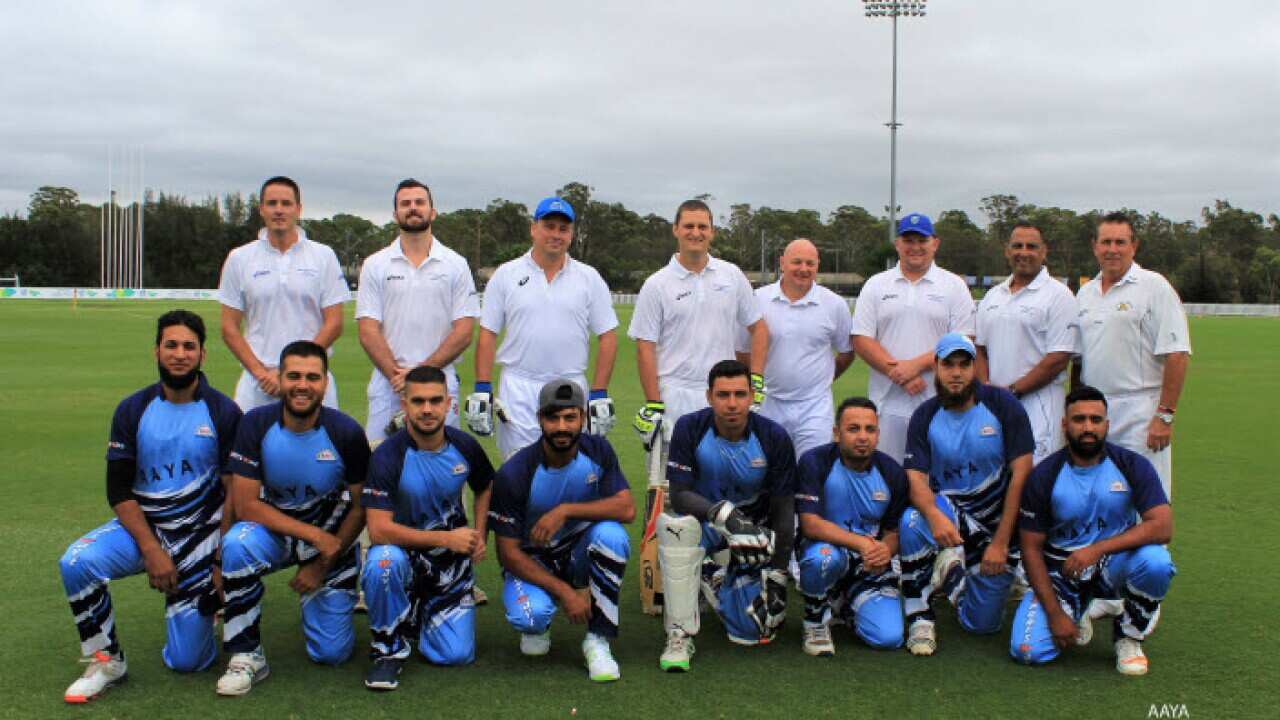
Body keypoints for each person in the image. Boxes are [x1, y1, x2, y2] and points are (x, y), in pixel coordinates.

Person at [59, 310, 241, 703]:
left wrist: (220, 563)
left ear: (202, 355)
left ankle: (204, 610)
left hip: (199, 539)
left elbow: (235, 495)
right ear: (156, 351)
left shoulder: (224, 412)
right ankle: (105, 660)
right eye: (171, 345)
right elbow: (119, 491)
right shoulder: (133, 409)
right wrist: (152, 550)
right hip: (146, 531)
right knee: (76, 561)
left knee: (187, 662)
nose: (179, 354)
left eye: (188, 346)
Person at [216, 341, 370, 696]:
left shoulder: (346, 432)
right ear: (280, 379)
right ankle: (245, 654)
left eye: (313, 377)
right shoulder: (255, 424)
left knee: (331, 654)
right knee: (237, 543)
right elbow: (246, 504)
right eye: (294, 376)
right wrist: (313, 539)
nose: (303, 385)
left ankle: (320, 598)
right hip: (275, 530)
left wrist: (321, 562)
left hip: (333, 537)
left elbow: (361, 506)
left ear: (326, 382)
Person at [1010, 385, 1175, 675]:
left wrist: (1096, 550)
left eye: (1096, 420)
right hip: (1062, 574)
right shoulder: (1044, 475)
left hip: (1112, 565)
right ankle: (1080, 608)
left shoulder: (1131, 465)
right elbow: (1030, 549)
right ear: (1065, 425)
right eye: (1079, 420)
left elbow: (1162, 526)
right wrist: (1054, 613)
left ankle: (1129, 637)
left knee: (1156, 562)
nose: (1088, 428)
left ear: (1107, 425)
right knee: (1027, 652)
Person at [896, 333, 1035, 656]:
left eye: (964, 365)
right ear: (936, 368)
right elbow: (915, 479)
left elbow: (1021, 475)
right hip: (951, 514)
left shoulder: (1003, 405)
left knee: (980, 624)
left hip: (995, 525)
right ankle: (920, 615)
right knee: (914, 519)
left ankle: (952, 574)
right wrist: (934, 517)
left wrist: (1001, 543)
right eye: (948, 365)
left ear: (975, 368)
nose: (956, 373)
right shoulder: (925, 415)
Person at [488, 379, 634, 683]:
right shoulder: (515, 473)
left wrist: (566, 510)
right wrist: (565, 593)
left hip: (577, 553)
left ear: (583, 418)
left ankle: (598, 639)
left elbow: (626, 509)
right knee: (530, 619)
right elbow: (507, 554)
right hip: (533, 561)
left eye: (570, 418)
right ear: (540, 419)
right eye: (553, 418)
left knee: (612, 536)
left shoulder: (599, 450)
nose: (562, 427)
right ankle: (542, 619)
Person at [656, 360, 797, 671]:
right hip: (706, 521)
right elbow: (679, 495)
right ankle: (678, 633)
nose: (732, 404)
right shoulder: (690, 427)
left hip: (754, 533)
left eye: (739, 394)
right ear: (709, 397)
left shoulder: (774, 437)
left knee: (751, 631)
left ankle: (715, 577)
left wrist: (777, 571)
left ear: (752, 396)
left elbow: (785, 511)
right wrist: (722, 513)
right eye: (723, 395)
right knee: (676, 527)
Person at [360, 366, 494, 691]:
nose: (427, 409)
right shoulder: (387, 456)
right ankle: (387, 650)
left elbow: (487, 485)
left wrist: (480, 534)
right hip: (401, 558)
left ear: (449, 403)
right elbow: (378, 531)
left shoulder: (465, 447)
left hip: (448, 565)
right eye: (418, 401)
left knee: (455, 655)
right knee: (383, 561)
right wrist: (448, 537)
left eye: (435, 401)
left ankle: (416, 614)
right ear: (404, 405)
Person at [466, 198, 619, 460]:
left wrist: (599, 393)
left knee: (570, 466)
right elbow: (488, 333)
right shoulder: (506, 274)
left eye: (563, 229)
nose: (556, 235)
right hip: (518, 385)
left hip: (570, 385)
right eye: (549, 226)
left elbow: (607, 336)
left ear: (571, 235)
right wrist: (482, 387)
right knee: (518, 467)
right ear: (533, 228)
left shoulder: (589, 278)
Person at [629, 199, 768, 451]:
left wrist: (755, 379)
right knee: (668, 482)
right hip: (674, 392)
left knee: (722, 475)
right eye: (689, 226)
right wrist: (654, 403)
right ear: (676, 230)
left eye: (703, 226)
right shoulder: (656, 284)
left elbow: (758, 327)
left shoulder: (731, 275)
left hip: (723, 393)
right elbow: (644, 347)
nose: (696, 233)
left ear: (712, 231)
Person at [1073, 212, 1190, 499]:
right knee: (1101, 498)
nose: (1112, 249)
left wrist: (1165, 416)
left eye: (1120, 242)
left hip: (1140, 411)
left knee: (1145, 501)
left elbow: (1177, 354)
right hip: (1096, 413)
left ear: (1133, 246)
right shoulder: (1085, 294)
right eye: (1106, 242)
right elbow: (1078, 361)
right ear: (1094, 246)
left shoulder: (1154, 287)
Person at [357, 179, 479, 443]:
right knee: (380, 465)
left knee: (444, 467)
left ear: (432, 212)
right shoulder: (375, 264)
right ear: (395, 214)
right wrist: (398, 376)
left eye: (419, 202)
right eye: (405, 204)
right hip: (389, 383)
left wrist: (421, 374)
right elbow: (367, 330)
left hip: (440, 382)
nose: (413, 208)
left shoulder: (456, 264)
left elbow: (464, 331)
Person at [851, 212, 976, 463]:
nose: (915, 247)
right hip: (886, 404)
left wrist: (914, 367)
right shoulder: (876, 284)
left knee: (937, 475)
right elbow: (861, 339)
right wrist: (898, 373)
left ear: (935, 243)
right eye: (908, 240)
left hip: (940, 401)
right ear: (897, 244)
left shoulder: (954, 285)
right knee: (891, 478)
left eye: (922, 240)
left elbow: (964, 340)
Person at [218, 176, 350, 411]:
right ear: (261, 209)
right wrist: (261, 373)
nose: (279, 210)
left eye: (286, 204)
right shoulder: (240, 258)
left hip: (313, 378)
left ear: (298, 209)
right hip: (258, 382)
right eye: (272, 203)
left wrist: (292, 371)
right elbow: (229, 328)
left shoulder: (323, 256)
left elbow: (335, 323)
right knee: (247, 446)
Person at [795, 397, 908, 656]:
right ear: (836, 433)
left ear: (878, 435)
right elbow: (810, 524)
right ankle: (814, 621)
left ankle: (844, 604)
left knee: (888, 637)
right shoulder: (815, 462)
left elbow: (893, 532)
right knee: (822, 558)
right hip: (826, 552)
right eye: (853, 429)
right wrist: (864, 543)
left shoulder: (892, 472)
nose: (862, 437)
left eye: (869, 430)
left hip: (868, 564)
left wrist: (885, 551)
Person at [737, 238, 855, 457]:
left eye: (810, 264)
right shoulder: (758, 299)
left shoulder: (834, 304)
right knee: (768, 474)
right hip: (767, 404)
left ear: (818, 265)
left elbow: (847, 352)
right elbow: (742, 351)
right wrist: (758, 383)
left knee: (811, 473)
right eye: (797, 262)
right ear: (782, 263)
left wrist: (824, 378)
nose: (803, 269)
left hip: (815, 407)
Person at [975, 222, 1079, 464]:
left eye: (1031, 246)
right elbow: (980, 349)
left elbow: (1058, 359)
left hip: (1039, 406)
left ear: (1044, 251)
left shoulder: (1059, 296)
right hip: (994, 407)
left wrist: (1012, 392)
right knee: (997, 478)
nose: (1024, 252)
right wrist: (986, 390)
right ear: (1007, 251)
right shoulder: (993, 296)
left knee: (1035, 482)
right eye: (1017, 246)